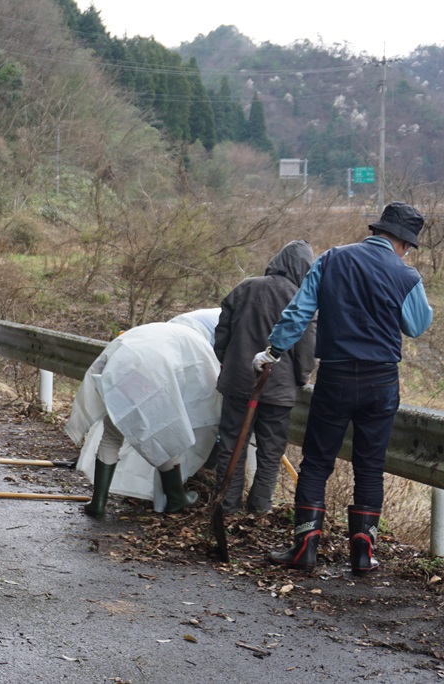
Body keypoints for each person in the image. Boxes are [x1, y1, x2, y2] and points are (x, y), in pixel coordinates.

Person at [256, 203, 433, 574]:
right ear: (402, 242)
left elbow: (300, 312)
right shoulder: (406, 274)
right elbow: (417, 325)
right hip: (381, 381)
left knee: (318, 462)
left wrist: (273, 351)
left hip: (335, 376)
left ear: (377, 230)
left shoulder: (333, 258)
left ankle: (305, 548)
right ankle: (363, 555)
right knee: (370, 466)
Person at [65, 309, 222, 516]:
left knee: (112, 434)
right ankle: (176, 497)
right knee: (162, 431)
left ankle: (98, 503)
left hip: (118, 365)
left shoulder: (165, 329)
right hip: (147, 373)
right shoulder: (199, 342)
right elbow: (203, 387)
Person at [212, 240, 317, 514]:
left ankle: (226, 507)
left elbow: (221, 334)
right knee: (270, 452)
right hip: (279, 390)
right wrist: (302, 376)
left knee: (231, 444)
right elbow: (307, 347)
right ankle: (259, 509)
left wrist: (228, 363)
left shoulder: (245, 287)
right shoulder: (302, 298)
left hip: (238, 382)